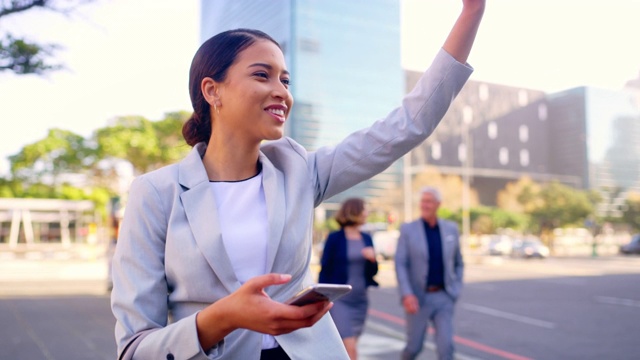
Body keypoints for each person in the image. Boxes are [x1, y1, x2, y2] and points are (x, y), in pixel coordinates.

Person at [110, 1, 484, 359]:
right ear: (212, 90)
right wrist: (226, 316)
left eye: (285, 80)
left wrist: (472, 12)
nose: (282, 92)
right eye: (262, 74)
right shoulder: (156, 194)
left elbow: (406, 126)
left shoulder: (300, 172)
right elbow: (135, 347)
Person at [395, 187, 464, 360]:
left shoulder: (451, 229)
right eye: (423, 201)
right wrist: (407, 294)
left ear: (438, 204)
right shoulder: (408, 229)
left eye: (429, 201)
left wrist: (455, 289)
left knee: (446, 347)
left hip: (443, 296)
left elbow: (459, 263)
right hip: (417, 298)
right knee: (414, 347)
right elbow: (400, 263)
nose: (424, 205)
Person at [318, 198, 379, 359]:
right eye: (364, 209)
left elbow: (372, 272)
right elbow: (325, 269)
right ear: (354, 211)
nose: (367, 213)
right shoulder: (335, 238)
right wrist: (321, 298)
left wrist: (373, 260)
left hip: (361, 300)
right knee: (350, 350)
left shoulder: (366, 238)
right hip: (340, 301)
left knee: (347, 349)